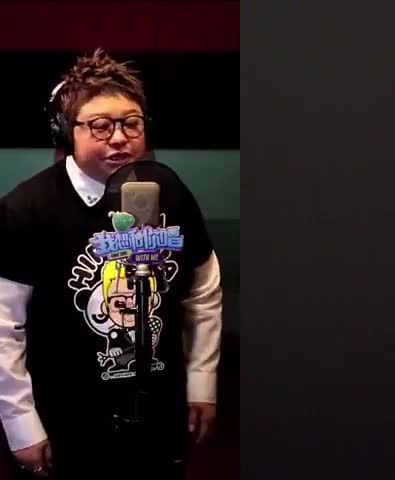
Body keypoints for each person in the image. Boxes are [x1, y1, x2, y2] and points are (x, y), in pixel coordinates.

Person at [0, 48, 222, 479]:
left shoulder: (170, 191)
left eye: (131, 123)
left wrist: (201, 382)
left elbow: (203, 288)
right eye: (101, 126)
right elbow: (4, 327)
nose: (119, 138)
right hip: (66, 420)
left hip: (159, 414)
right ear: (66, 131)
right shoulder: (25, 210)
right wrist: (20, 423)